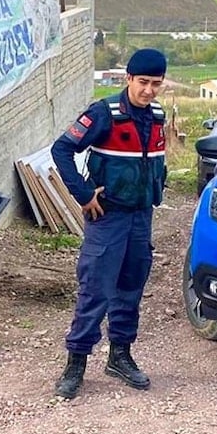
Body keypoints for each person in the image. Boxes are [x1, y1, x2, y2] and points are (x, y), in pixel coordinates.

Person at [50, 48, 168, 399]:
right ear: (128, 78)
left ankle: (120, 356)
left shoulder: (157, 116)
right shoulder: (103, 113)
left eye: (156, 83)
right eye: (143, 82)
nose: (148, 90)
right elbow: (61, 150)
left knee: (130, 287)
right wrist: (84, 194)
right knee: (95, 289)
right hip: (107, 216)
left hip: (141, 217)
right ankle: (76, 363)